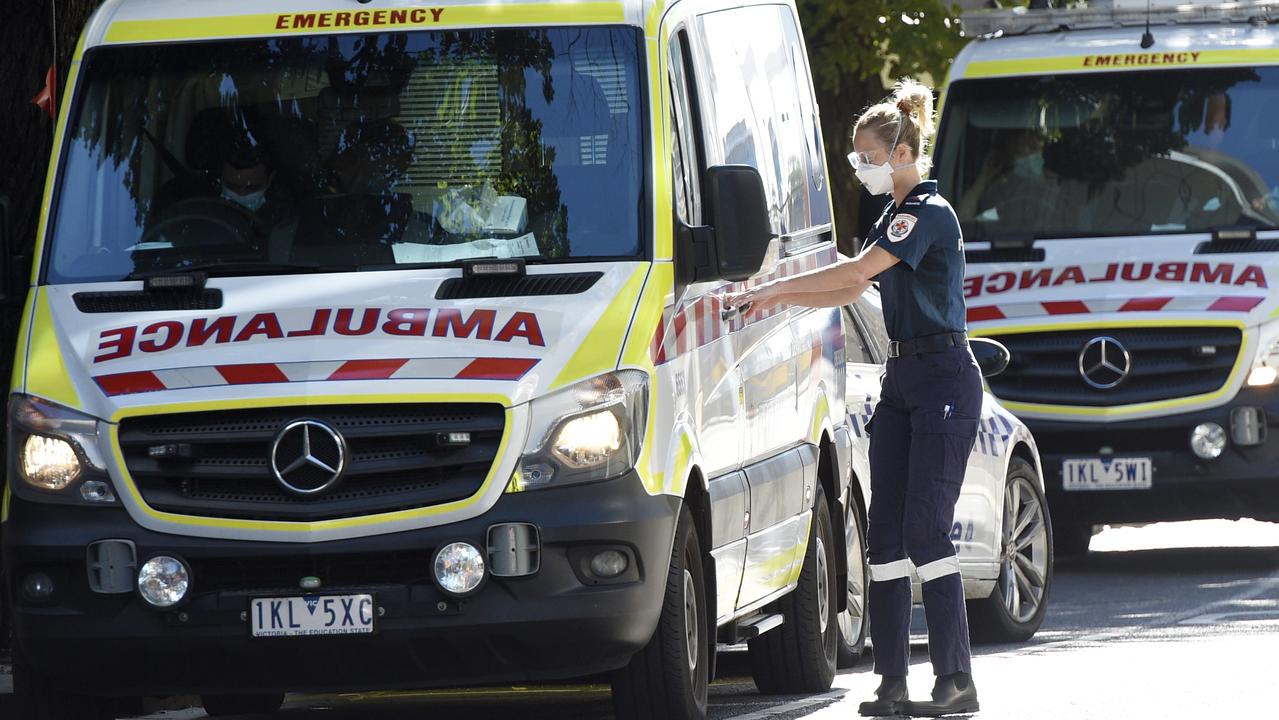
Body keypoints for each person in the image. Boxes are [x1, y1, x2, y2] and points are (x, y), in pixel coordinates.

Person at [724, 79, 981, 718]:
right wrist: (772, 296)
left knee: (924, 527)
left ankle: (956, 678)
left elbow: (854, 275)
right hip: (902, 380)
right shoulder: (890, 218)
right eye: (855, 159)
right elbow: (845, 290)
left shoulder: (926, 212)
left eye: (867, 156)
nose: (861, 168)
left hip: (945, 376)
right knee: (887, 535)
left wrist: (777, 290)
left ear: (901, 153)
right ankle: (893, 683)